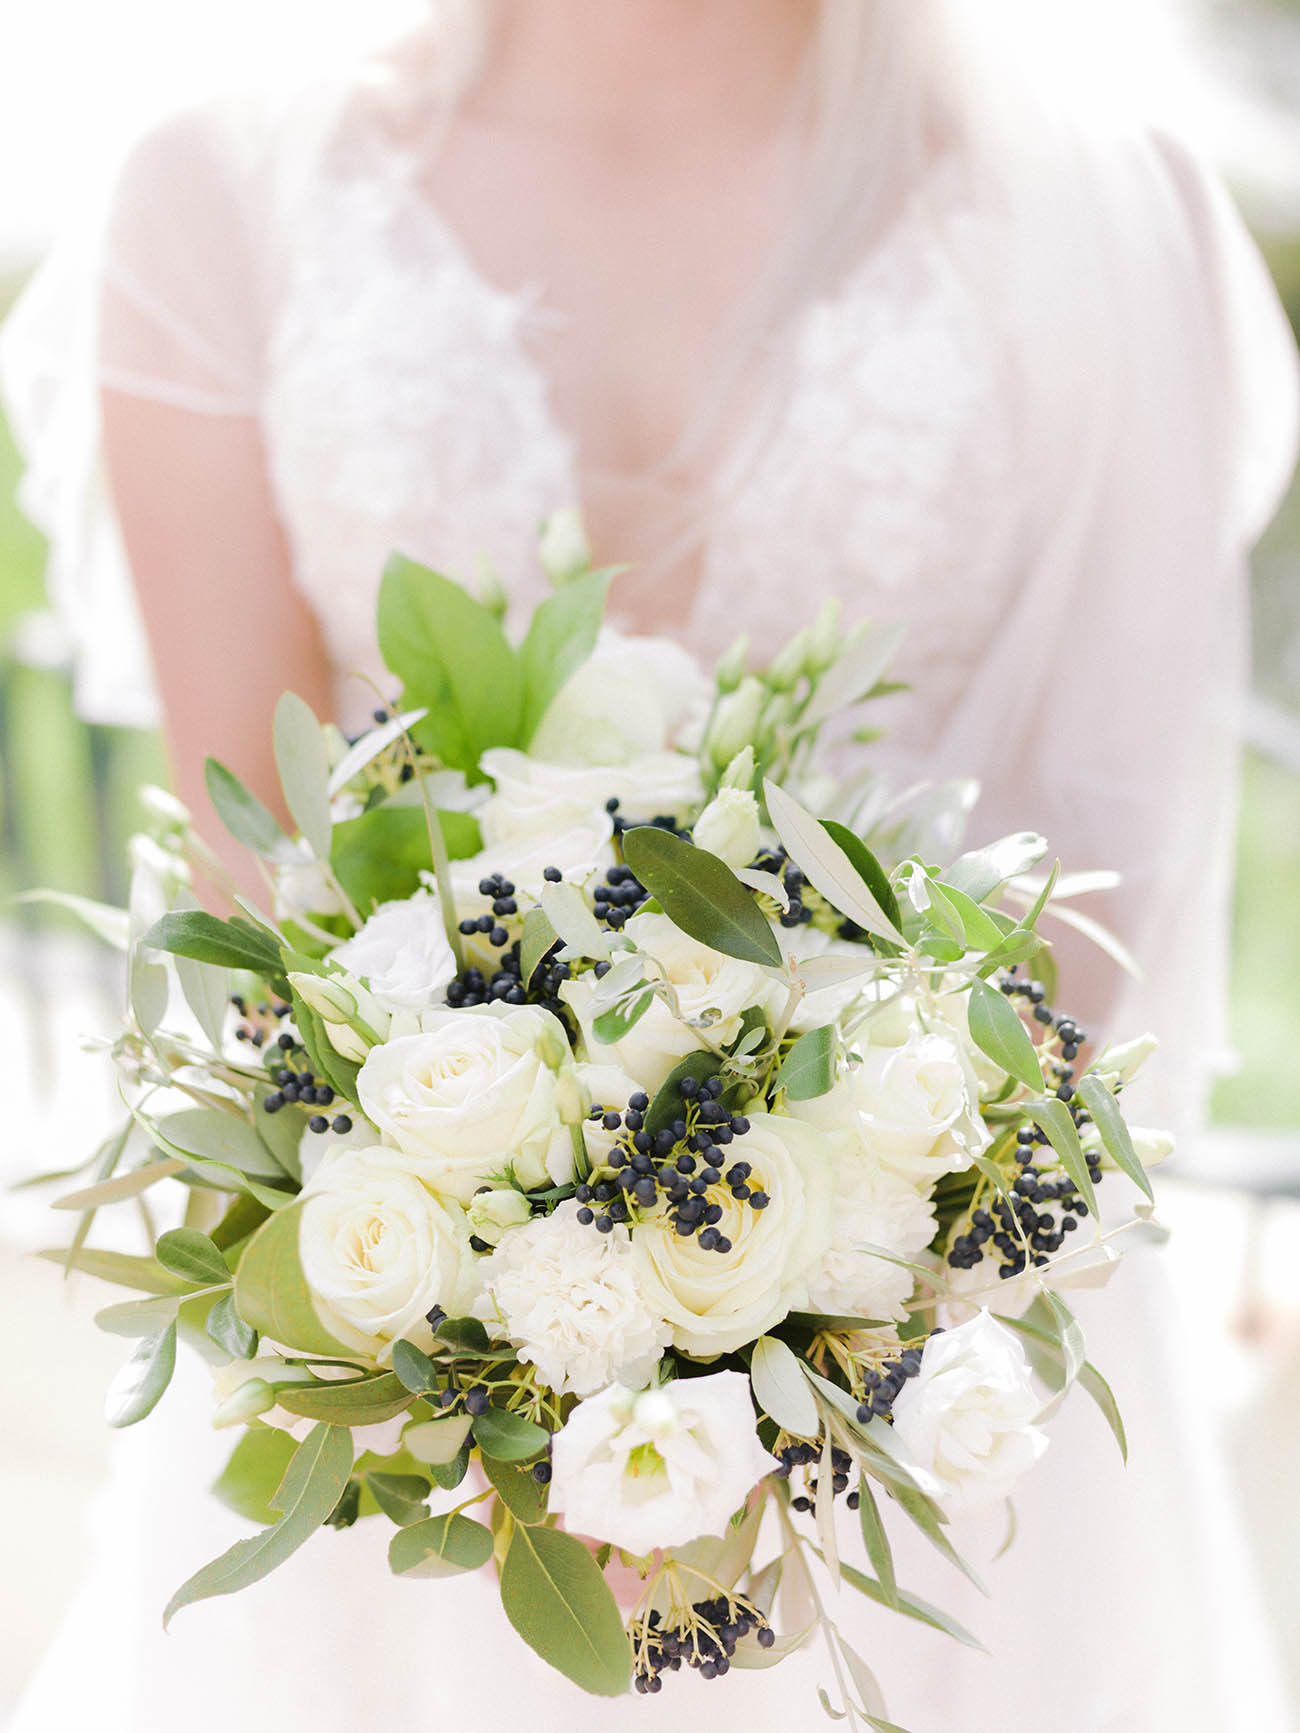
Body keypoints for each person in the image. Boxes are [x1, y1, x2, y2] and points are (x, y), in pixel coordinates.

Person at [3, 2, 1298, 1728]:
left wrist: (814, 1341)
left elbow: (1098, 885)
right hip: (418, 1391)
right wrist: (508, 1346)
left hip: (944, 1386)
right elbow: (259, 869)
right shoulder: (219, 199)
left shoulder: (1111, 213)